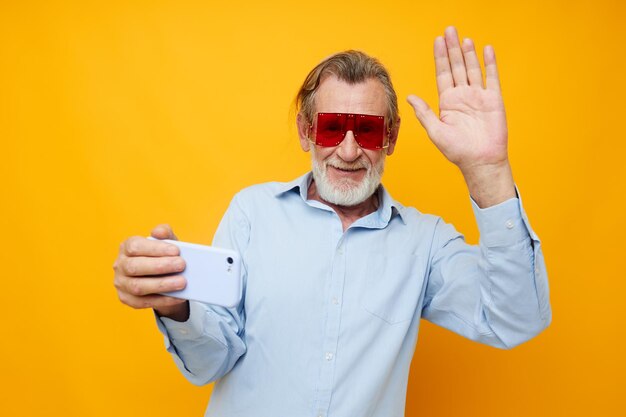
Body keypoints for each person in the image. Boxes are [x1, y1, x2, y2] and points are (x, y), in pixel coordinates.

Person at [113, 26, 551, 417]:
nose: (347, 151)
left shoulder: (426, 243)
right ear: (305, 131)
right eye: (331, 128)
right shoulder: (252, 213)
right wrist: (177, 305)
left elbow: (515, 319)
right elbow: (211, 362)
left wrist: (488, 172)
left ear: (391, 137)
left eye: (367, 130)